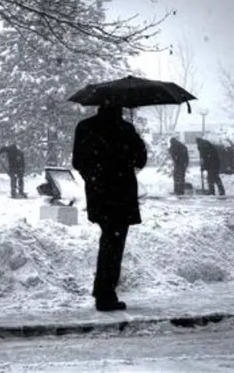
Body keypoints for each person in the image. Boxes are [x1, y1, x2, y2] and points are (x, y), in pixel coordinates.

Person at [72, 98, 148, 312]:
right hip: (122, 195)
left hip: (99, 194)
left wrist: (94, 178)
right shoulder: (125, 128)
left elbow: (78, 162)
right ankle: (105, 294)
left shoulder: (85, 127)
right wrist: (135, 142)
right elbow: (140, 160)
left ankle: (102, 289)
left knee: (109, 240)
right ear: (119, 107)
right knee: (114, 244)